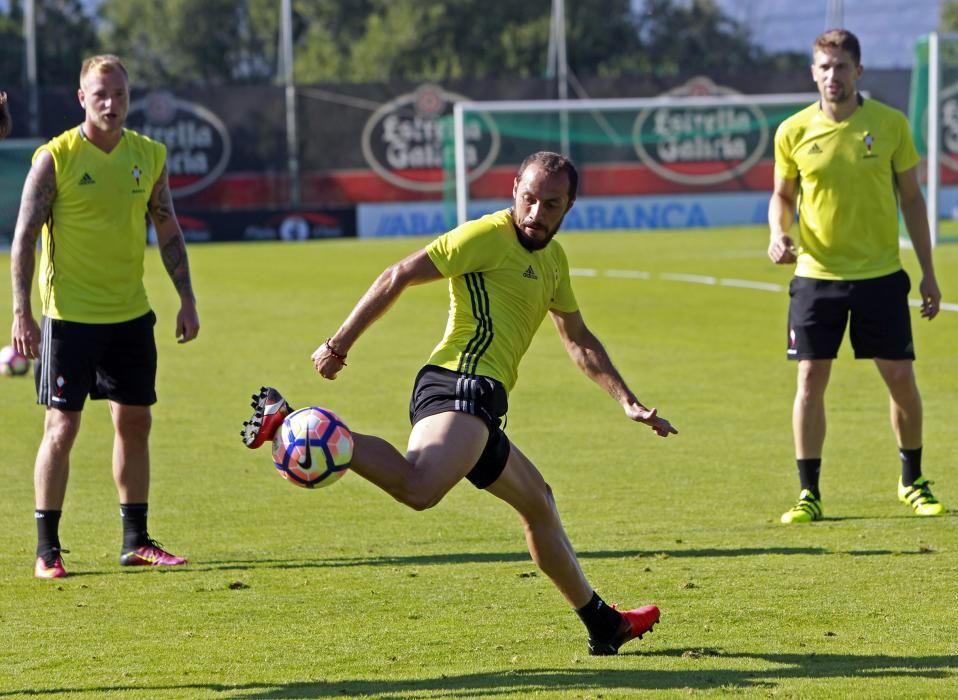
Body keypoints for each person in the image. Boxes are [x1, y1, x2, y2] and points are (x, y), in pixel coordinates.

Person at [242, 151, 677, 655]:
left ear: (570, 206)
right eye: (529, 199)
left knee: (540, 505)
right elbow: (397, 274)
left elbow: (577, 338)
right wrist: (338, 344)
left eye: (551, 204)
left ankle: (603, 624)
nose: (536, 213)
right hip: (459, 384)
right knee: (419, 488)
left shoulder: (554, 262)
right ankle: (300, 422)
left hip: (481, 405)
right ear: (515, 188)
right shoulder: (484, 236)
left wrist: (626, 399)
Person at [10, 55, 200, 579]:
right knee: (61, 427)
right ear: (82, 99)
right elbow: (23, 238)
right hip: (69, 318)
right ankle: (47, 548)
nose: (112, 105)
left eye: (119, 94)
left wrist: (187, 298)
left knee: (135, 421)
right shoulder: (55, 159)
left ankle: (135, 540)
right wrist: (20, 313)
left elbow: (168, 230)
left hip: (130, 316)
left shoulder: (150, 155)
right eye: (101, 96)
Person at [767, 29, 945, 523]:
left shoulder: (889, 124)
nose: (832, 76)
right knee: (810, 378)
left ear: (858, 71)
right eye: (824, 67)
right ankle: (809, 493)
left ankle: (912, 481)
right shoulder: (793, 131)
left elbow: (912, 198)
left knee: (901, 379)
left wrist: (928, 272)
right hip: (815, 276)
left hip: (881, 276)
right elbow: (782, 196)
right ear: (813, 73)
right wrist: (777, 233)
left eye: (841, 66)